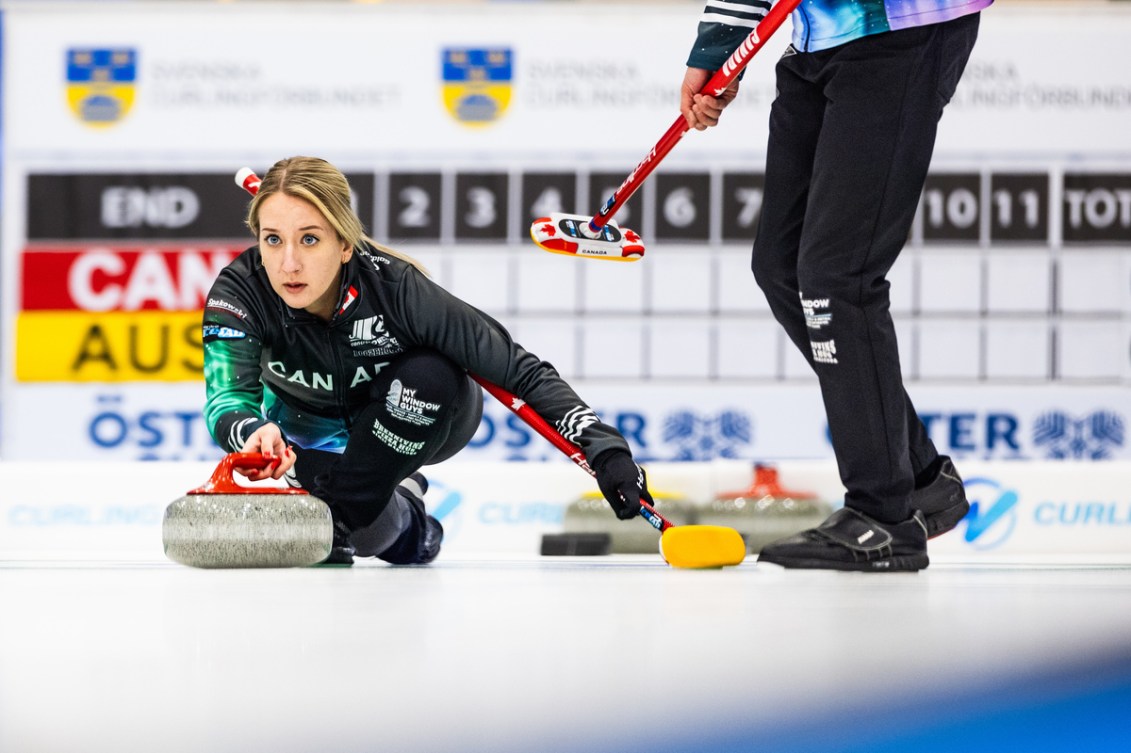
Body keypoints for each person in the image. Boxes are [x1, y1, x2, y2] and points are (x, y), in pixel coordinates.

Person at [202, 156, 653, 566]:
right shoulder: (240, 292)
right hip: (306, 430)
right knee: (359, 520)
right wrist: (253, 433)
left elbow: (519, 370)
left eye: (310, 239)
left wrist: (606, 449)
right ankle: (405, 519)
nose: (289, 264)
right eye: (273, 240)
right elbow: (226, 400)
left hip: (422, 416)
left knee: (426, 376)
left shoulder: (397, 289)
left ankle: (345, 510)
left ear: (344, 246)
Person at [680, 0, 990, 571]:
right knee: (782, 266)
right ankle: (919, 480)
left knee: (836, 276)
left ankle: (884, 519)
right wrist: (718, 45)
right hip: (813, 38)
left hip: (901, 30)